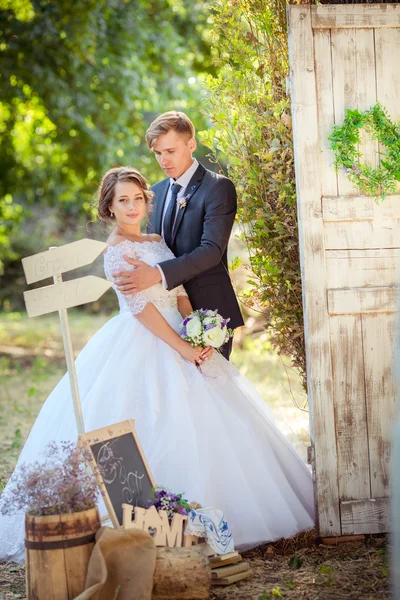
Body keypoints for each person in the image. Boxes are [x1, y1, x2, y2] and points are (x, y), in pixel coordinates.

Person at [0, 167, 314, 563]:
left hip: (180, 330)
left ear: (147, 201)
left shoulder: (156, 241)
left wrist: (196, 330)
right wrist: (182, 347)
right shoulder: (117, 249)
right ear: (110, 208)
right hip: (145, 337)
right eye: (122, 201)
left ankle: (213, 521)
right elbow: (142, 309)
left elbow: (178, 291)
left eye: (137, 198)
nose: (131, 207)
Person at [112, 111, 244, 360]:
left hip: (208, 313)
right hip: (164, 317)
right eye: (158, 153)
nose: (163, 160)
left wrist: (157, 274)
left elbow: (211, 250)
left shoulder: (217, 188)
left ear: (191, 144)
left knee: (211, 392)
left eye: (170, 151)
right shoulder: (155, 192)